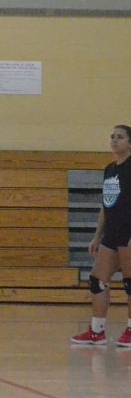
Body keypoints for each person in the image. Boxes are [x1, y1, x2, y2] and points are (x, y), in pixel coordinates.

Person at [71, 124, 131, 347]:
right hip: (112, 234)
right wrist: (97, 236)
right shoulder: (110, 169)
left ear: (129, 143)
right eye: (112, 137)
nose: (114, 141)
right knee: (97, 281)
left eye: (120, 137)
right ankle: (97, 331)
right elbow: (106, 205)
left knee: (129, 283)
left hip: (129, 233)